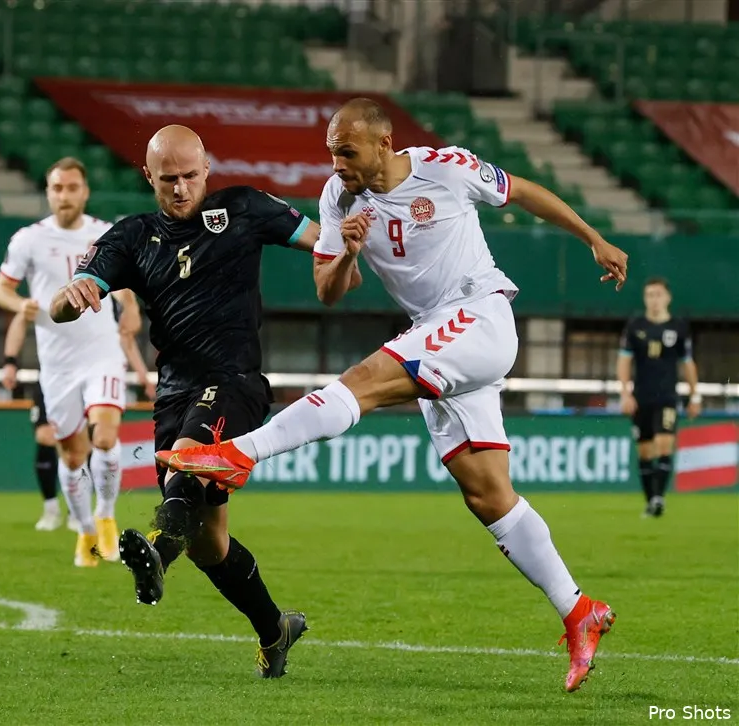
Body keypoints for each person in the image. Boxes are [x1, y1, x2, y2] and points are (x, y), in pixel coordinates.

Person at [159, 99, 630, 693]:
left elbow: (524, 191)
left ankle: (241, 451)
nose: (336, 164)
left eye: (347, 152)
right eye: (331, 152)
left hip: (478, 315)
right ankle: (578, 608)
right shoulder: (338, 199)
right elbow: (329, 289)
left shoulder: (446, 167)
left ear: (384, 144)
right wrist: (350, 249)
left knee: (363, 381)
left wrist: (594, 238)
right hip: (436, 333)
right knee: (489, 496)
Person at [50, 125, 321, 678]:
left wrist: (347, 247)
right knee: (210, 542)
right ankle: (275, 631)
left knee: (189, 460)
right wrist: (69, 297)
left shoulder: (243, 208)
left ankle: (155, 551)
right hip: (174, 392)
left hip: (236, 380)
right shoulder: (131, 237)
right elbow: (65, 300)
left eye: (190, 176)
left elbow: (323, 240)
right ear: (148, 176)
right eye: (167, 179)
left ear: (207, 168)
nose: (180, 189)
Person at [0, 157, 147, 567]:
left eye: (72, 187)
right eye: (57, 188)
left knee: (106, 437)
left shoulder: (103, 234)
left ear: (85, 191)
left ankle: (107, 515)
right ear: (48, 192)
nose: (65, 195)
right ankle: (84, 531)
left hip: (102, 354)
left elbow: (123, 282)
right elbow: (0, 291)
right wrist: (20, 303)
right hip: (57, 363)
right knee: (73, 456)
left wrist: (130, 307)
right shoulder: (28, 239)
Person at [2, 306, 155, 533]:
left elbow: (126, 335)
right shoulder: (49, 285)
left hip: (96, 374)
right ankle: (51, 507)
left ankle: (88, 514)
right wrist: (10, 361)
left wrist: (143, 376)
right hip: (56, 375)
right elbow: (20, 311)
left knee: (94, 441)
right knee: (48, 437)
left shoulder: (106, 288)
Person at [617, 277, 700, 518]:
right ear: (645, 298)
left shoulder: (679, 327)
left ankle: (658, 498)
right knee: (644, 451)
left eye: (658, 294)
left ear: (668, 297)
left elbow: (688, 363)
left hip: (667, 397)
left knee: (664, 444)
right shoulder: (635, 327)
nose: (654, 300)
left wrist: (695, 396)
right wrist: (625, 393)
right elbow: (624, 361)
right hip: (641, 397)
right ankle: (650, 501)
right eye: (650, 295)